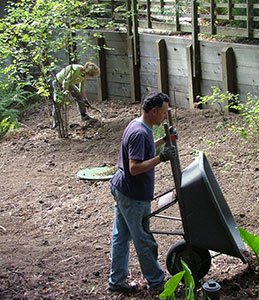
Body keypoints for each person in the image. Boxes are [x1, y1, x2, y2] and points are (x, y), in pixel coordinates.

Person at [108, 91, 177, 295]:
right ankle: (156, 280)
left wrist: (164, 140)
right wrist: (162, 158)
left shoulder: (139, 126)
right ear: (153, 111)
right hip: (132, 195)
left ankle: (116, 281)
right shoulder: (139, 132)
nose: (165, 116)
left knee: (121, 236)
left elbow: (145, 149)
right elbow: (134, 167)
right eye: (163, 113)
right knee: (143, 238)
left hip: (124, 189)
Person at [52, 62, 100, 127]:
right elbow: (65, 82)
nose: (90, 76)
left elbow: (82, 88)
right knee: (58, 102)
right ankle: (56, 123)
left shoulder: (84, 75)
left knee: (79, 96)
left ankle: (83, 115)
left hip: (69, 83)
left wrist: (85, 99)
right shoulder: (76, 69)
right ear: (88, 72)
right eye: (91, 75)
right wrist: (65, 94)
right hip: (59, 82)